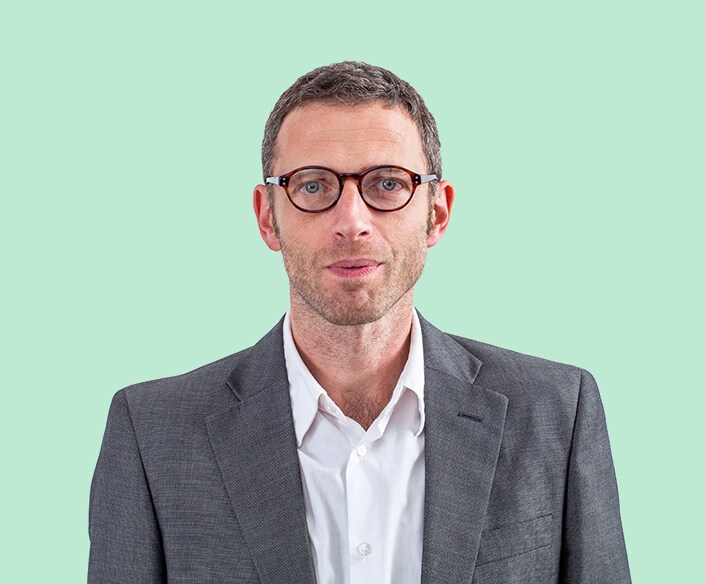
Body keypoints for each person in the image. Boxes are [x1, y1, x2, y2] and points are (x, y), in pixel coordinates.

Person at [88, 61, 630, 583]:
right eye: (313, 185)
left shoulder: (557, 412)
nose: (352, 222)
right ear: (267, 216)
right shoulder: (152, 434)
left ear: (437, 212)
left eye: (388, 184)